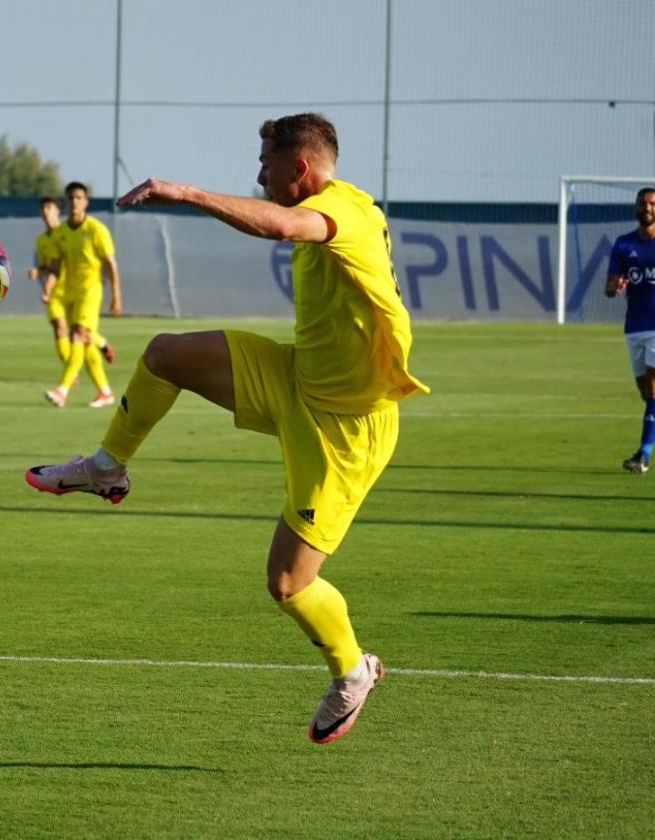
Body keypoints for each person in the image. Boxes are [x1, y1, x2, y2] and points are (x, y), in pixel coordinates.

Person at [25, 113, 429, 745]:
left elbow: (284, 225)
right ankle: (108, 467)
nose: (258, 175)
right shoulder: (331, 207)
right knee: (164, 354)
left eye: (267, 163)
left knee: (289, 583)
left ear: (300, 168)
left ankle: (353, 671)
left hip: (347, 431)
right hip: (296, 380)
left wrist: (185, 193)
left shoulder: (339, 211)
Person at [42, 182, 123, 409]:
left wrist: (116, 296)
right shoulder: (61, 234)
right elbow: (56, 268)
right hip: (70, 294)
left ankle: (63, 389)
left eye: (79, 197)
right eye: (70, 198)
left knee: (78, 334)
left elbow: (110, 264)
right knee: (86, 344)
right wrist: (48, 287)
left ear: (86, 202)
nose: (74, 202)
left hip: (91, 291)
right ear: (66, 202)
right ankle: (105, 392)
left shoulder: (97, 230)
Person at [28, 196, 117, 371]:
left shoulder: (66, 233)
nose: (46, 212)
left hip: (74, 290)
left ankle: (99, 348)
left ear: (58, 211)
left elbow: (66, 262)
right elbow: (48, 266)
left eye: (49, 208)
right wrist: (39, 274)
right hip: (56, 293)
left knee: (79, 333)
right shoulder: (41, 240)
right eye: (43, 209)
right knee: (60, 328)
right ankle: (72, 373)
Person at [605, 187, 655, 474]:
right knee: (646, 394)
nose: (647, 208)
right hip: (634, 327)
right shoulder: (624, 245)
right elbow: (610, 287)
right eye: (642, 203)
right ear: (636, 208)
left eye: (651, 203)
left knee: (652, 385)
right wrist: (615, 286)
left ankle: (644, 455)